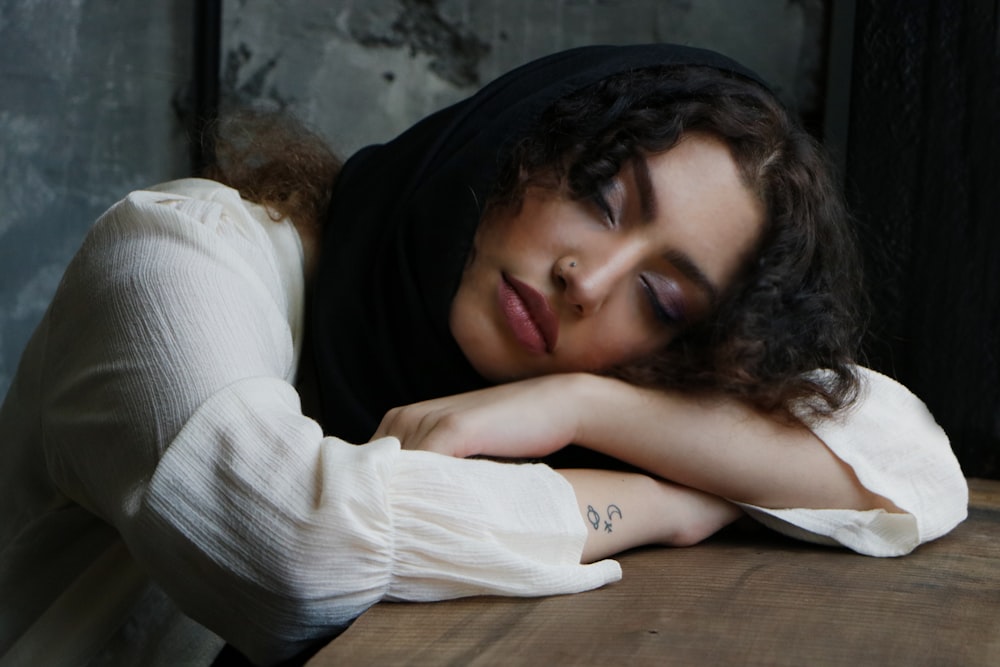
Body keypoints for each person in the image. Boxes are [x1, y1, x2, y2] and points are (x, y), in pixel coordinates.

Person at [0, 44, 966, 667]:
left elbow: (911, 468)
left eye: (661, 296)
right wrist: (663, 502)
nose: (590, 279)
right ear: (522, 142)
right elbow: (291, 544)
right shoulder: (178, 251)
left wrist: (591, 411)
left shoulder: (563, 385)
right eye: (601, 194)